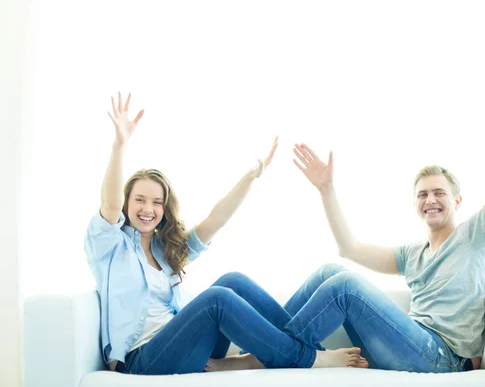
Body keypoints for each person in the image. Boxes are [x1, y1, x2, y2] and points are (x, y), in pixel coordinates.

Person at [232, 56, 485, 373]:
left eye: (439, 193)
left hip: (442, 357)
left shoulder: (475, 236)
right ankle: (271, 350)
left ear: (458, 201)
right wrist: (326, 190)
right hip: (407, 345)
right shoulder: (413, 255)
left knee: (345, 287)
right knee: (329, 272)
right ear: (416, 204)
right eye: (423, 194)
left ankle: (262, 356)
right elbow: (349, 248)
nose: (430, 200)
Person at [84, 92, 366, 375]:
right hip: (141, 360)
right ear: (127, 202)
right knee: (217, 299)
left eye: (157, 202)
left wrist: (251, 176)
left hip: (184, 345)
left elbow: (215, 220)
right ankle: (311, 357)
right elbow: (109, 205)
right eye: (140, 200)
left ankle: (264, 356)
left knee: (233, 282)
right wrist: (120, 144)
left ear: (164, 208)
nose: (148, 208)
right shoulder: (109, 246)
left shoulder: (164, 249)